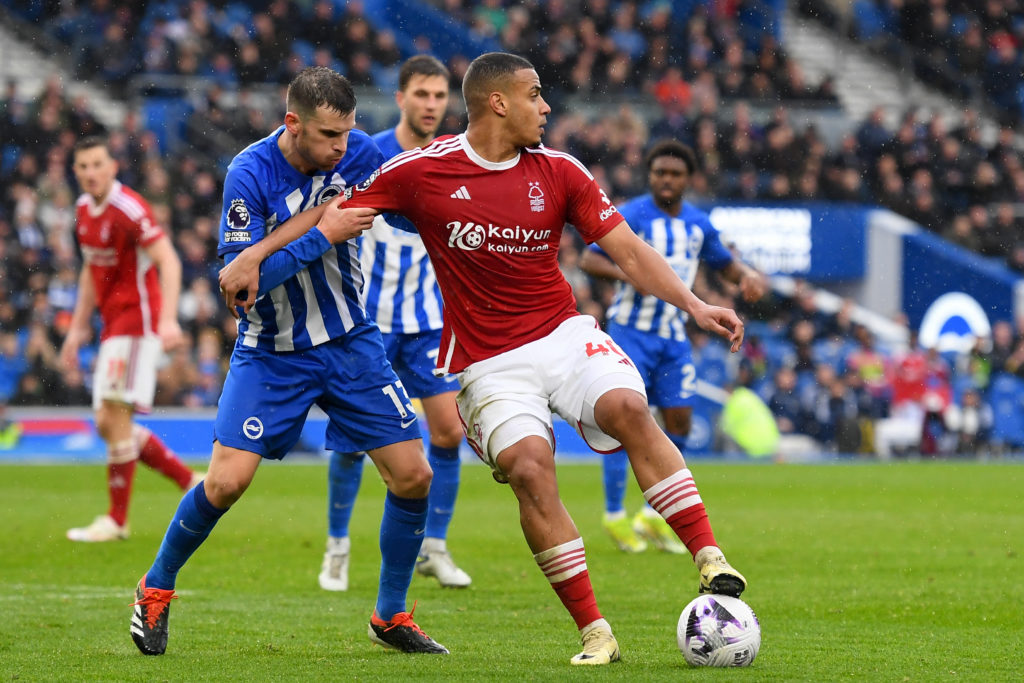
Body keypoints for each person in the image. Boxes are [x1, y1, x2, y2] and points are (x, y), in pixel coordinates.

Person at [220, 52, 748, 666]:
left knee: (629, 406)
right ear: (499, 102)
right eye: (536, 94)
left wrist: (694, 303)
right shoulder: (421, 172)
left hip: (561, 333)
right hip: (488, 360)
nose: (547, 107)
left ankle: (710, 557)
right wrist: (255, 255)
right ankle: (596, 631)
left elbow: (628, 251)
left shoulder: (561, 171)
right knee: (528, 468)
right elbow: (332, 214)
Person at [129, 67, 447, 657]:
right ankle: (155, 587)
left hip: (351, 341)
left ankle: (391, 614)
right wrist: (321, 233)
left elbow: (409, 201)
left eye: (348, 134)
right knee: (225, 483)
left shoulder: (358, 155)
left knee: (414, 474)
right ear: (292, 123)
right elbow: (243, 285)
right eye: (328, 136)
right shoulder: (249, 174)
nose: (340, 148)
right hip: (272, 351)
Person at [318, 55, 471, 592]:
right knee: (352, 440)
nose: (431, 104)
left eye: (439, 95)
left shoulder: (455, 156)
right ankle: (337, 547)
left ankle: (435, 547)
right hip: (371, 320)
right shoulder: (368, 151)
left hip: (428, 320)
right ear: (401, 97)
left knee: (450, 431)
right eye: (421, 94)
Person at [579, 140, 766, 554]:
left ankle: (651, 516)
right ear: (651, 175)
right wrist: (631, 276)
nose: (666, 179)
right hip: (630, 333)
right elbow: (589, 260)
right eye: (659, 172)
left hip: (674, 338)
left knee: (678, 422)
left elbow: (725, 264)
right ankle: (615, 517)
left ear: (688, 179)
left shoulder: (699, 223)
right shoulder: (632, 214)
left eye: (675, 174)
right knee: (624, 424)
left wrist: (747, 276)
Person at [61, 137, 202, 543]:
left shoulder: (129, 209)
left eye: (97, 164)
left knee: (113, 418)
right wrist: (77, 326)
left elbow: (169, 260)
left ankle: (116, 520)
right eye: (83, 165)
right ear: (76, 171)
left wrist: (169, 319)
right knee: (109, 421)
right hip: (112, 326)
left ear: (112, 167)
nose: (91, 172)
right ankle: (188, 481)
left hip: (138, 323)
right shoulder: (84, 210)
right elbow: (90, 270)